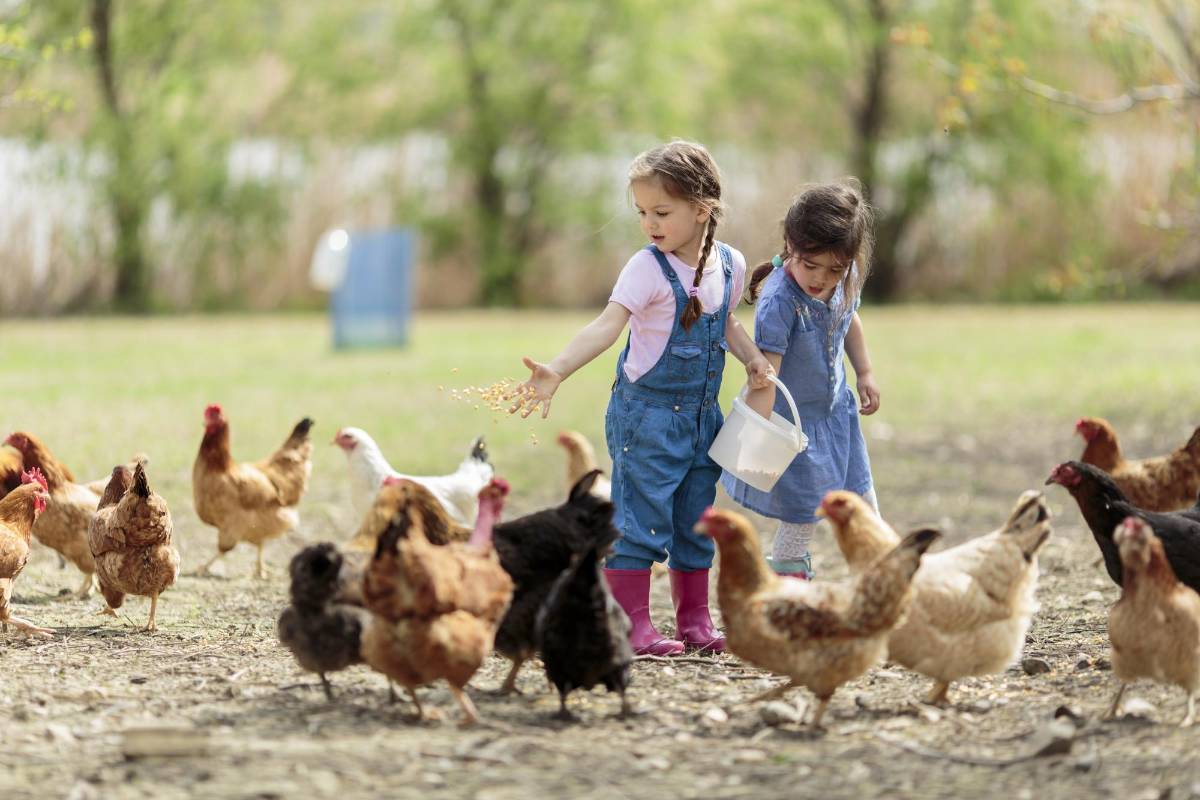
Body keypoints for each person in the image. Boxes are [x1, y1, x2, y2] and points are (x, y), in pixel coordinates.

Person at [509, 140, 773, 655]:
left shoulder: (730, 263)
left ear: (702, 210)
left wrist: (753, 358)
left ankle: (695, 620)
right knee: (639, 520)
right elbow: (607, 326)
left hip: (703, 418)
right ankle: (631, 623)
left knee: (696, 519)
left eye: (662, 212)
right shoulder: (646, 269)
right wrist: (557, 369)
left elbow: (727, 324)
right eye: (641, 213)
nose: (649, 223)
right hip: (645, 417)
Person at [725, 180, 881, 581]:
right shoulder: (780, 301)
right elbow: (767, 376)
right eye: (810, 265)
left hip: (836, 415)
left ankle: (880, 574)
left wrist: (864, 371)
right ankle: (788, 584)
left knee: (862, 499)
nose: (821, 278)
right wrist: (754, 436)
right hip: (796, 429)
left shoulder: (845, 277)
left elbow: (849, 321)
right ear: (790, 246)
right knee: (802, 515)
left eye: (834, 268)